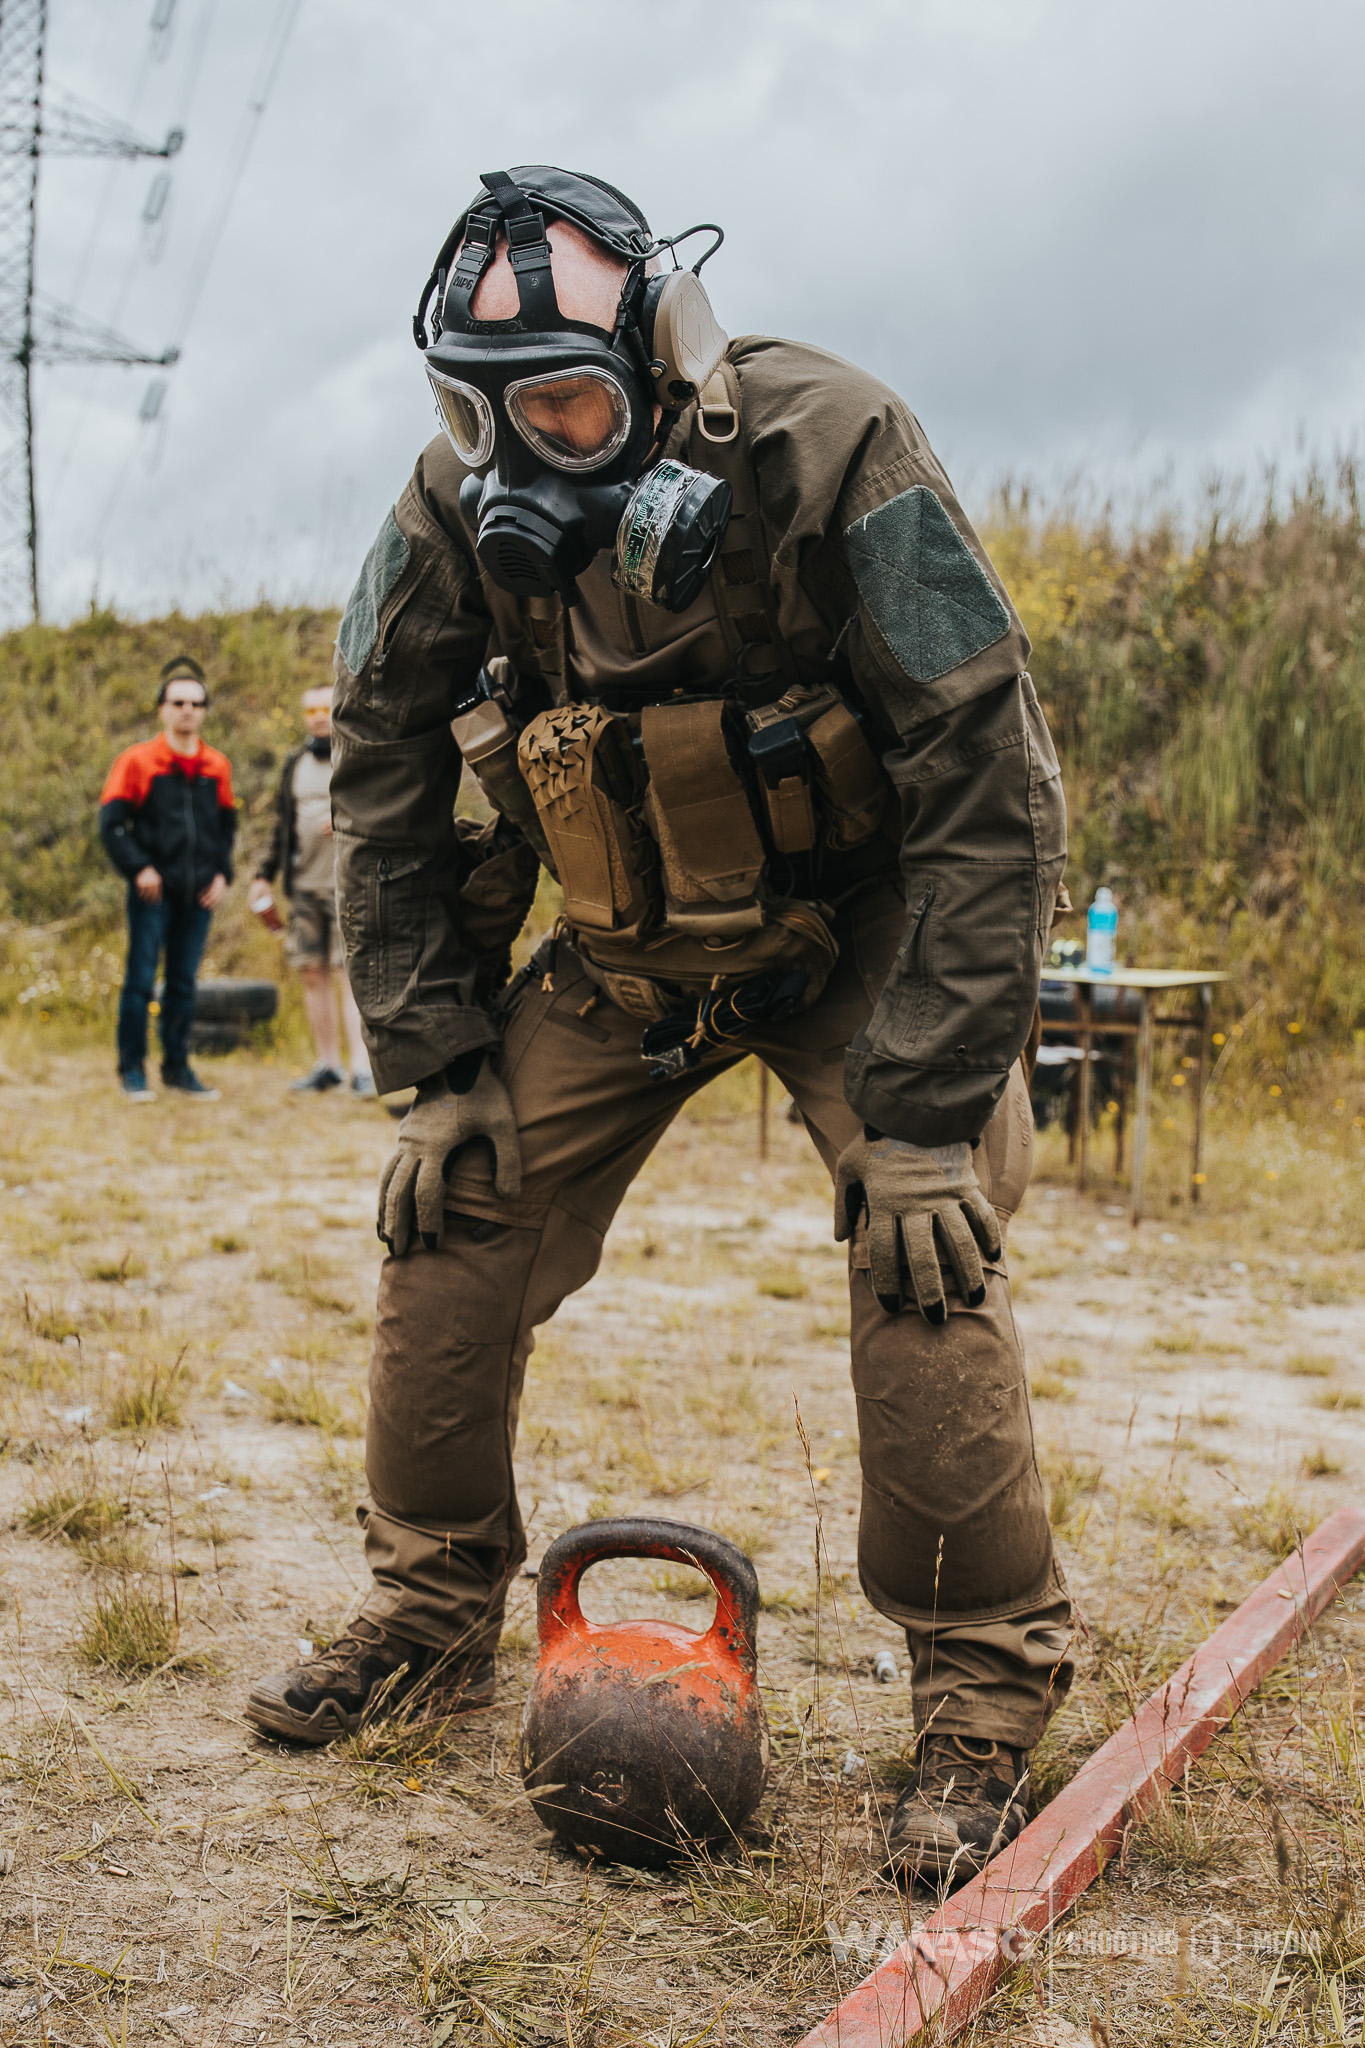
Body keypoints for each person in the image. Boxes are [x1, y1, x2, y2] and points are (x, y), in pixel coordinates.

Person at [245, 167, 1073, 1888]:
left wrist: (921, 1105)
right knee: (450, 1206)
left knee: (921, 1245)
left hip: (862, 933)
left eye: (562, 398)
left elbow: (988, 772)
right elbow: (389, 772)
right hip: (627, 944)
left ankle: (980, 1708)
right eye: (480, 409)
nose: (524, 448)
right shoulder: (450, 503)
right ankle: (424, 1610)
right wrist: (439, 1059)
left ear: (662, 355)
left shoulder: (832, 440)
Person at [99, 656, 235, 1102]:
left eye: (195, 703)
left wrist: (223, 875)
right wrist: (140, 867)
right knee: (140, 982)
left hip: (198, 894)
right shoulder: (137, 762)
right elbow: (112, 825)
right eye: (178, 702)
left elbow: (225, 828)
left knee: (182, 983)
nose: (187, 710)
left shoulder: (217, 766)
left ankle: (177, 1068)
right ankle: (132, 1070)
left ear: (204, 711)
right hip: (152, 893)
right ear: (162, 708)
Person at [248, 685, 375, 1096]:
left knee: (347, 974)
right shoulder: (294, 763)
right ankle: (327, 1066)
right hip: (303, 888)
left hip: (347, 885)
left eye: (325, 707)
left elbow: (378, 809)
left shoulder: (356, 754)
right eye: (311, 709)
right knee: (313, 973)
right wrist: (263, 874)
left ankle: (361, 1068)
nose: (319, 716)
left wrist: (348, 819)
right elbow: (281, 826)